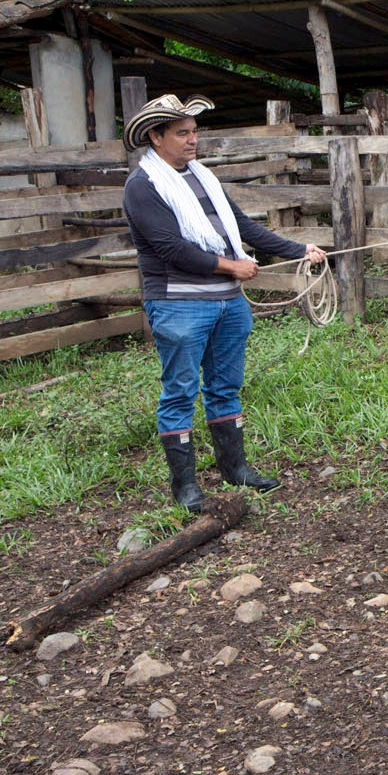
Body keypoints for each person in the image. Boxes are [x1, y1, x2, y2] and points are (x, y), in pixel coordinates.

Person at [121, 94, 328, 512]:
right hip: (179, 305)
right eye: (182, 133)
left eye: (194, 132)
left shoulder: (202, 177)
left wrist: (297, 247)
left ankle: (235, 469)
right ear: (155, 136)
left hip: (228, 304)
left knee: (226, 386)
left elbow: (243, 227)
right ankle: (185, 486)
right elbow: (170, 249)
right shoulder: (143, 187)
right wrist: (231, 268)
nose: (192, 140)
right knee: (180, 391)